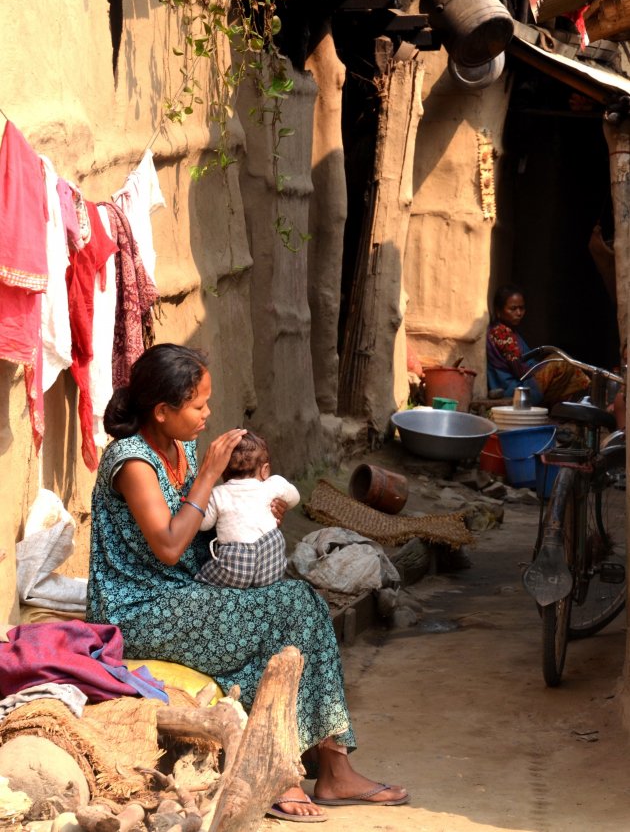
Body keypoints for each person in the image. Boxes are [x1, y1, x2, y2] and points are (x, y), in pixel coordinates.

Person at [86, 343, 408, 821]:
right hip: (140, 608)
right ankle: (284, 773)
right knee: (288, 608)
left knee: (302, 603)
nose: (207, 414)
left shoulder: (181, 447)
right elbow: (170, 546)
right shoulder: (132, 462)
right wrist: (212, 472)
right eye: (198, 405)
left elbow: (208, 522)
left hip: (190, 591)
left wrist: (254, 514)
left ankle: (332, 764)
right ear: (161, 410)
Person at [195, 430, 299, 588]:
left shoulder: (218, 494)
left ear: (222, 473)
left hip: (235, 566)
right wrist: (280, 499)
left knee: (203, 580)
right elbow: (295, 498)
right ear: (265, 470)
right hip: (270, 562)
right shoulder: (272, 485)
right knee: (274, 573)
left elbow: (203, 524)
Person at [486, 284, 589, 407]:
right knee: (560, 362)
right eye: (513, 309)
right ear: (499, 311)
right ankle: (574, 402)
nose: (519, 313)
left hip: (520, 385)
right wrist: (545, 367)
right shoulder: (501, 332)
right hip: (514, 390)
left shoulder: (509, 331)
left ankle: (570, 405)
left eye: (522, 308)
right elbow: (521, 371)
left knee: (560, 360)